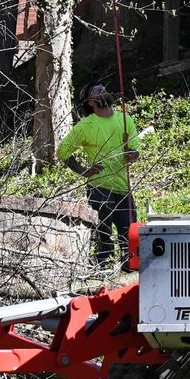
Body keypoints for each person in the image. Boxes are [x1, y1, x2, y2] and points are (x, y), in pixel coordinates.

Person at [57, 83, 141, 267]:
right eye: (97, 91)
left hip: (123, 187)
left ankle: (129, 271)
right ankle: (102, 271)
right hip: (98, 188)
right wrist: (83, 171)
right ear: (90, 101)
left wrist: (131, 154)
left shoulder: (125, 120)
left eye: (103, 88)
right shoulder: (86, 126)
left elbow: (136, 150)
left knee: (130, 234)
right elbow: (62, 151)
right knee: (103, 234)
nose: (102, 90)